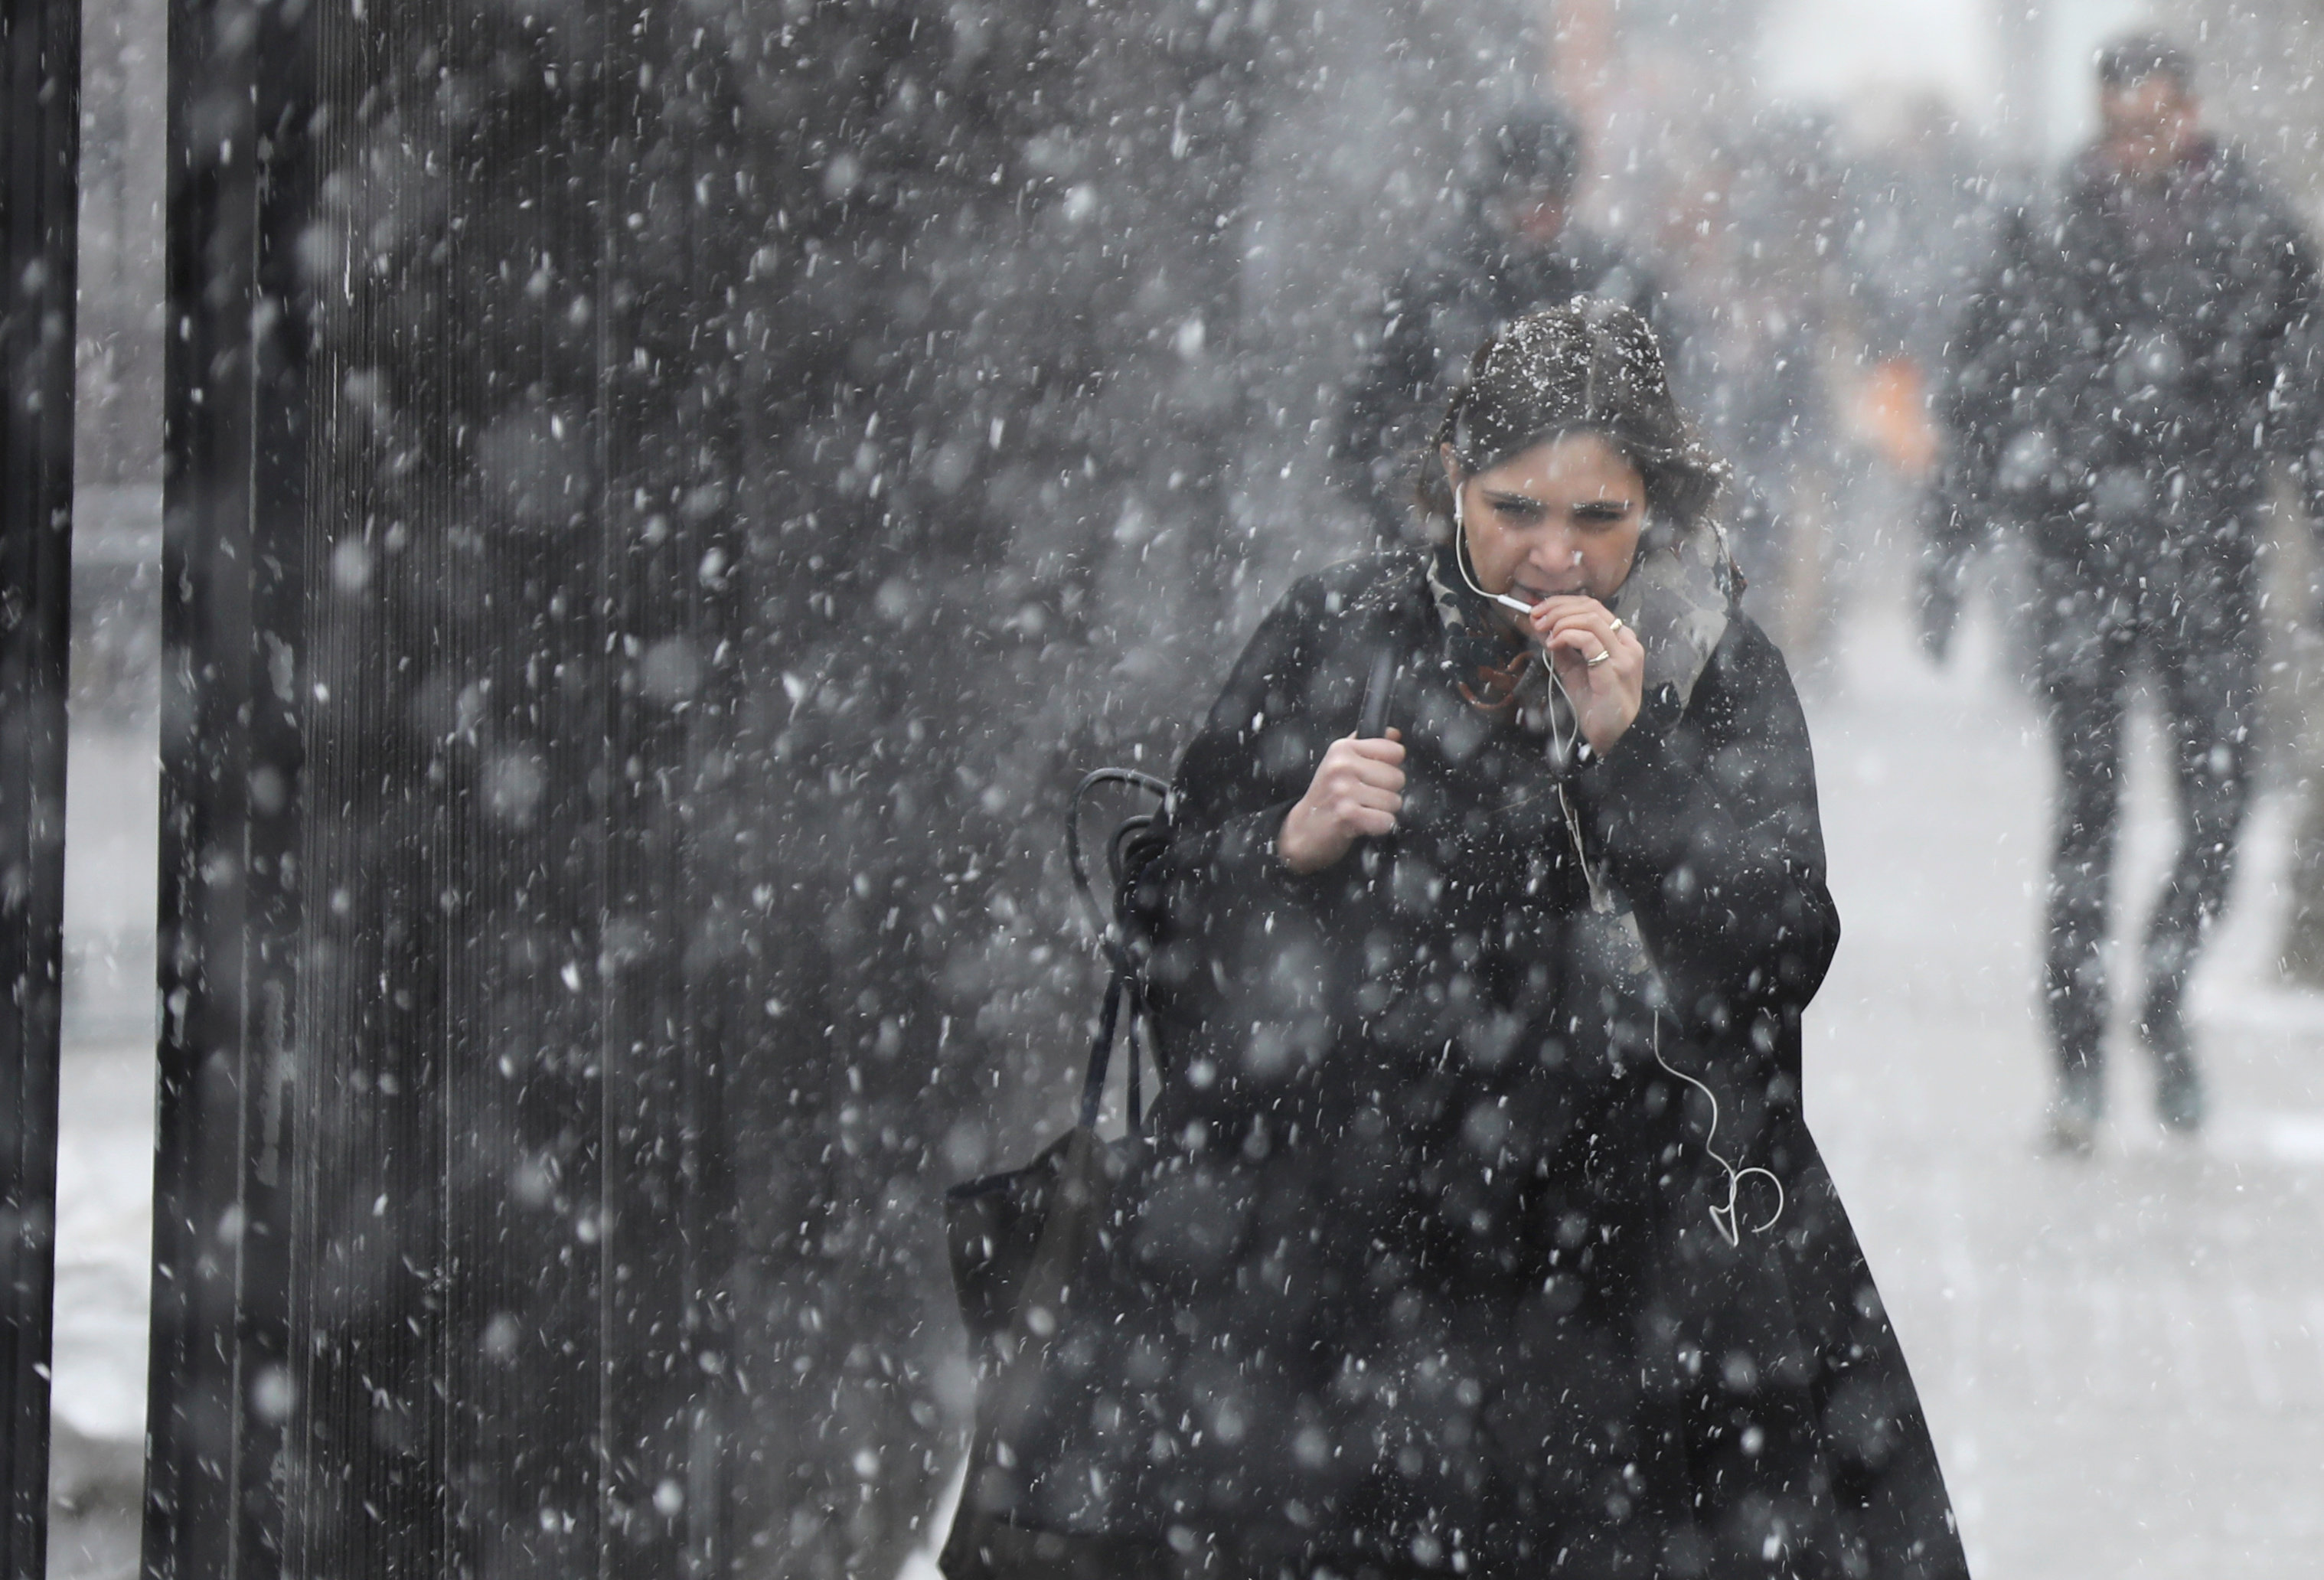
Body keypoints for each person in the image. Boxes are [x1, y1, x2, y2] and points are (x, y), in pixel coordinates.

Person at [955, 302, 1968, 1580]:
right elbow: (1167, 931)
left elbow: (1779, 947)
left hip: (1635, 1279)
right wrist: (1290, 840)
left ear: (1652, 505)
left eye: (1597, 519)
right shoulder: (1339, 633)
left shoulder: (1714, 668)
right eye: (1514, 508)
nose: (1553, 555)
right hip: (1342, 1274)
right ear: (1451, 483)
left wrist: (1634, 752)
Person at [1922, 34, 2322, 1150]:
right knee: (2086, 821)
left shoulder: (2259, 237)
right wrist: (1947, 550)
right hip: (2083, 564)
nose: (2138, 143)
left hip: (2208, 566)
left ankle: (2165, 994)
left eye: (2156, 120)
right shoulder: (2049, 231)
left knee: (2222, 813)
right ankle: (2079, 1062)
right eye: (2121, 123)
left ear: (2191, 113)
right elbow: (1980, 388)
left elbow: (2310, 409)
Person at [1337, 106, 1675, 547]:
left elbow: (1658, 423)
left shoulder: (1614, 284)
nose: (1540, 212)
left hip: (1584, 549)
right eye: (1525, 193)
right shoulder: (1435, 285)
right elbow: (1368, 427)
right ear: (1495, 191)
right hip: (1450, 544)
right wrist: (1429, 524)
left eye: (1553, 195)